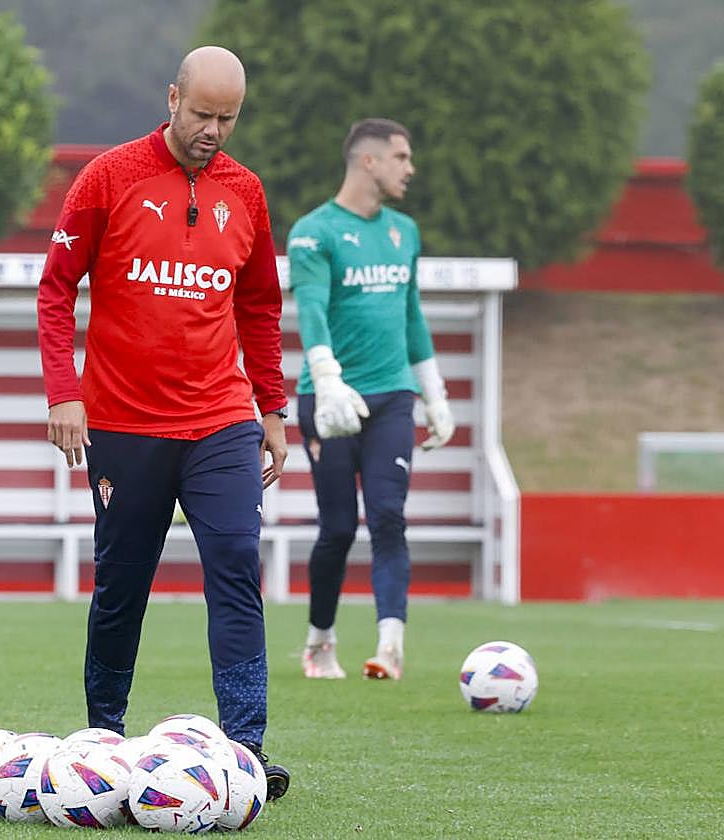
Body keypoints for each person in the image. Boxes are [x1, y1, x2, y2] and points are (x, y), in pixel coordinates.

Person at [36, 45, 291, 800]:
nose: (214, 130)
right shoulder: (109, 177)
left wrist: (272, 408)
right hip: (122, 425)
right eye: (203, 113)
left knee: (238, 565)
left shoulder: (246, 192)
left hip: (220, 420)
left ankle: (244, 750)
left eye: (228, 118)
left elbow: (260, 308)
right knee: (122, 585)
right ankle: (103, 742)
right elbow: (56, 290)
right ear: (173, 97)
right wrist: (63, 392)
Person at [287, 118, 456, 682]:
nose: (410, 168)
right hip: (329, 401)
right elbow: (310, 307)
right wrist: (326, 376)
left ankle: (390, 647)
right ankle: (320, 642)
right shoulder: (314, 232)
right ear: (369, 161)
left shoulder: (403, 231)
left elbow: (411, 314)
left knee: (388, 517)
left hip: (391, 399)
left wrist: (434, 394)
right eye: (401, 157)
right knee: (337, 528)